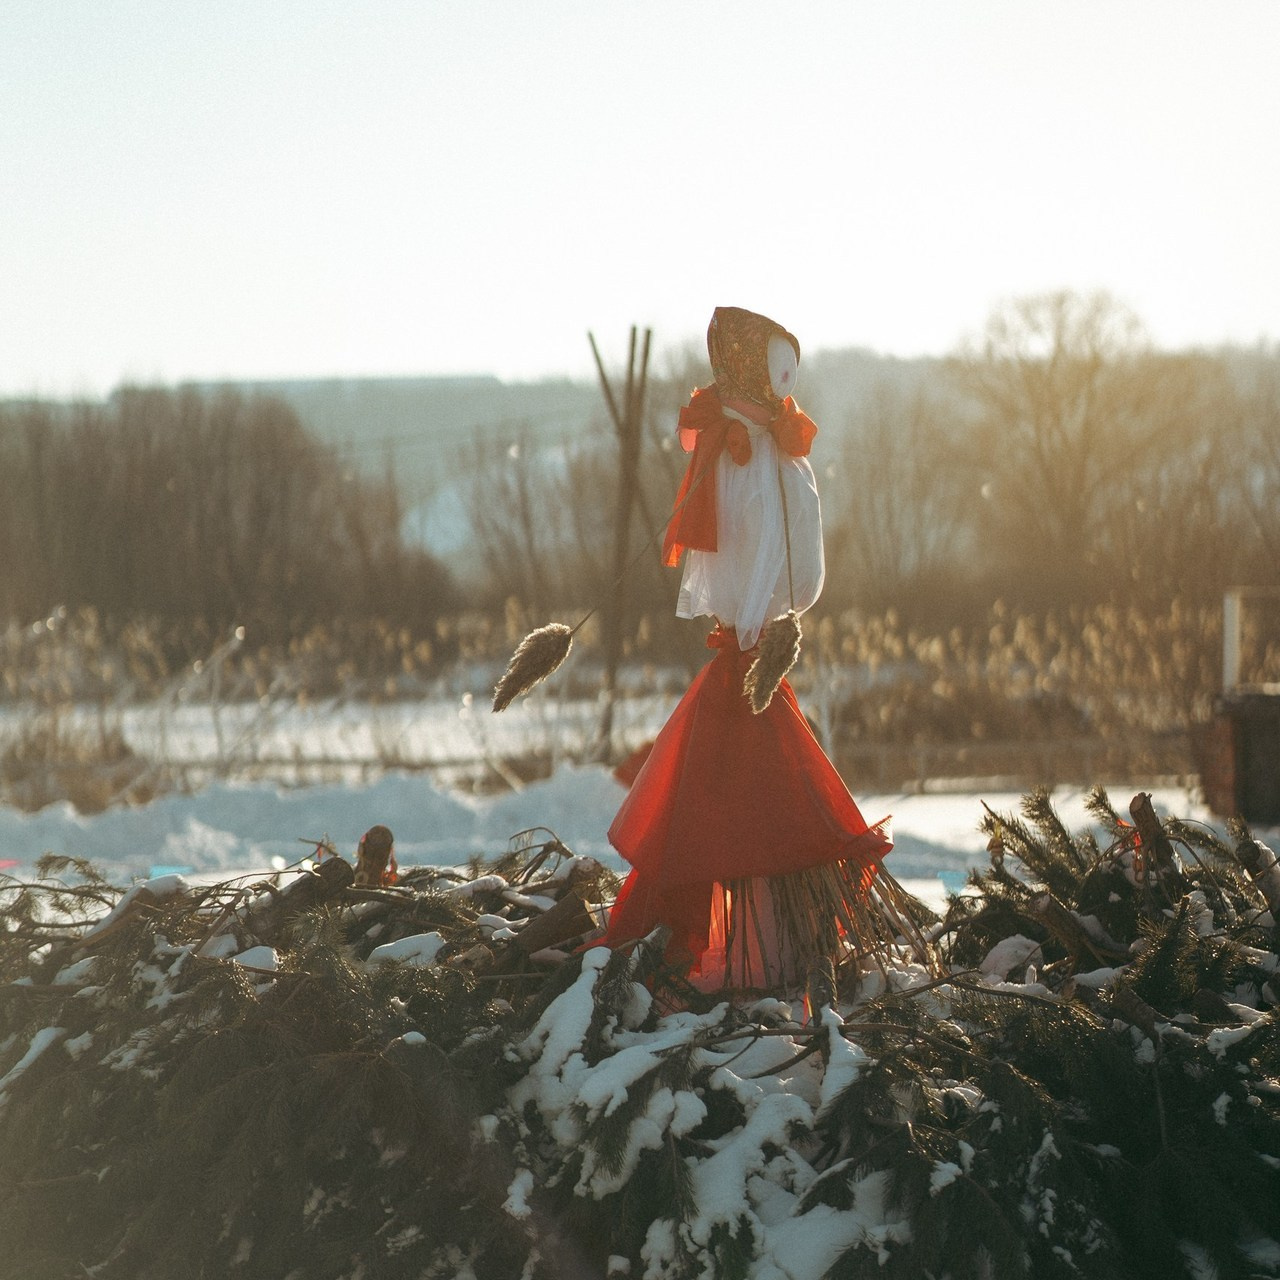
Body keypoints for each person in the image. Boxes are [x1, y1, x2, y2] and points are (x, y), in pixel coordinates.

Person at [602, 307, 919, 991]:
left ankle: (734, 944)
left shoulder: (741, 447)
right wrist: (764, 617)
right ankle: (759, 949)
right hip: (749, 649)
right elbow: (787, 556)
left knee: (723, 798)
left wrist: (750, 621)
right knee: (757, 803)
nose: (787, 384)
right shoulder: (757, 452)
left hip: (743, 646)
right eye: (780, 369)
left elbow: (744, 552)